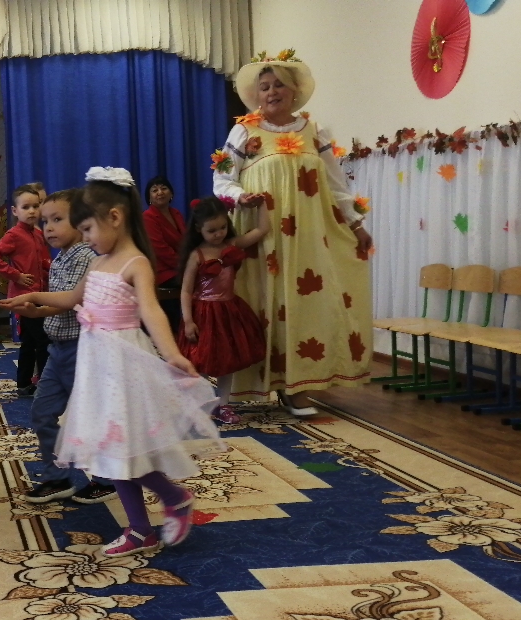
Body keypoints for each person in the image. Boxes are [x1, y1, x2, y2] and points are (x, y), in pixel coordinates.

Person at [0, 167, 224, 558]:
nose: (85, 237)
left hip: (122, 368)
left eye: (88, 228)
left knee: (126, 449)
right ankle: (140, 530)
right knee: (109, 451)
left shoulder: (135, 263)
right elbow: (71, 299)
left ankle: (174, 498)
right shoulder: (98, 262)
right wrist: (32, 299)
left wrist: (172, 354)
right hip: (95, 368)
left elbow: (152, 311)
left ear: (115, 218)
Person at [213, 50, 374, 415]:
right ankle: (258, 383)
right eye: (265, 87)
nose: (272, 92)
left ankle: (297, 386)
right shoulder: (244, 131)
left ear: (294, 91)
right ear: (256, 94)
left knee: (307, 305)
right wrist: (240, 196)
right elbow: (222, 179)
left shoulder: (315, 132)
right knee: (261, 305)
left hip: (308, 238)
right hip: (263, 236)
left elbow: (336, 185)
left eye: (279, 85)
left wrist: (356, 224)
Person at [14, 189, 115, 505]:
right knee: (42, 412)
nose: (49, 228)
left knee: (90, 417)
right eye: (45, 222)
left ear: (81, 221)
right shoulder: (61, 257)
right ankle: (57, 477)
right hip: (57, 350)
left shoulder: (87, 257)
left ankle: (106, 479)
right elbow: (61, 305)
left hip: (82, 350)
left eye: (58, 220)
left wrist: (36, 300)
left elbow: (73, 299)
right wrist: (37, 312)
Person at [177, 196, 271, 425]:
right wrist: (188, 320)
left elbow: (261, 230)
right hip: (203, 314)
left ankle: (224, 404)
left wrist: (262, 204)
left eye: (222, 228)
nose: (218, 234)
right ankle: (199, 403)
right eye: (212, 230)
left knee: (227, 361)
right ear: (199, 229)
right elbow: (186, 290)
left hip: (228, 312)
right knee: (200, 361)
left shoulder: (232, 245)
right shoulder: (197, 255)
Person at [0, 184, 52, 397]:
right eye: (26, 207)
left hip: (40, 294)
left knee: (30, 342)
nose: (32, 211)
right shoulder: (14, 235)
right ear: (15, 211)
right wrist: (16, 275)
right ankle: (44, 384)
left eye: (35, 206)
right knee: (43, 340)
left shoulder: (38, 234)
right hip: (24, 297)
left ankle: (24, 383)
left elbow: (42, 262)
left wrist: (51, 269)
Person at [143, 176, 187, 333]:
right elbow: (161, 250)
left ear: (171, 193)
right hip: (163, 272)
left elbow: (186, 242)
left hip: (180, 268)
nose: (159, 192)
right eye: (154, 190)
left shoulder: (176, 213)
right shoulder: (147, 217)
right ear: (149, 197)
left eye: (163, 188)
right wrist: (187, 266)